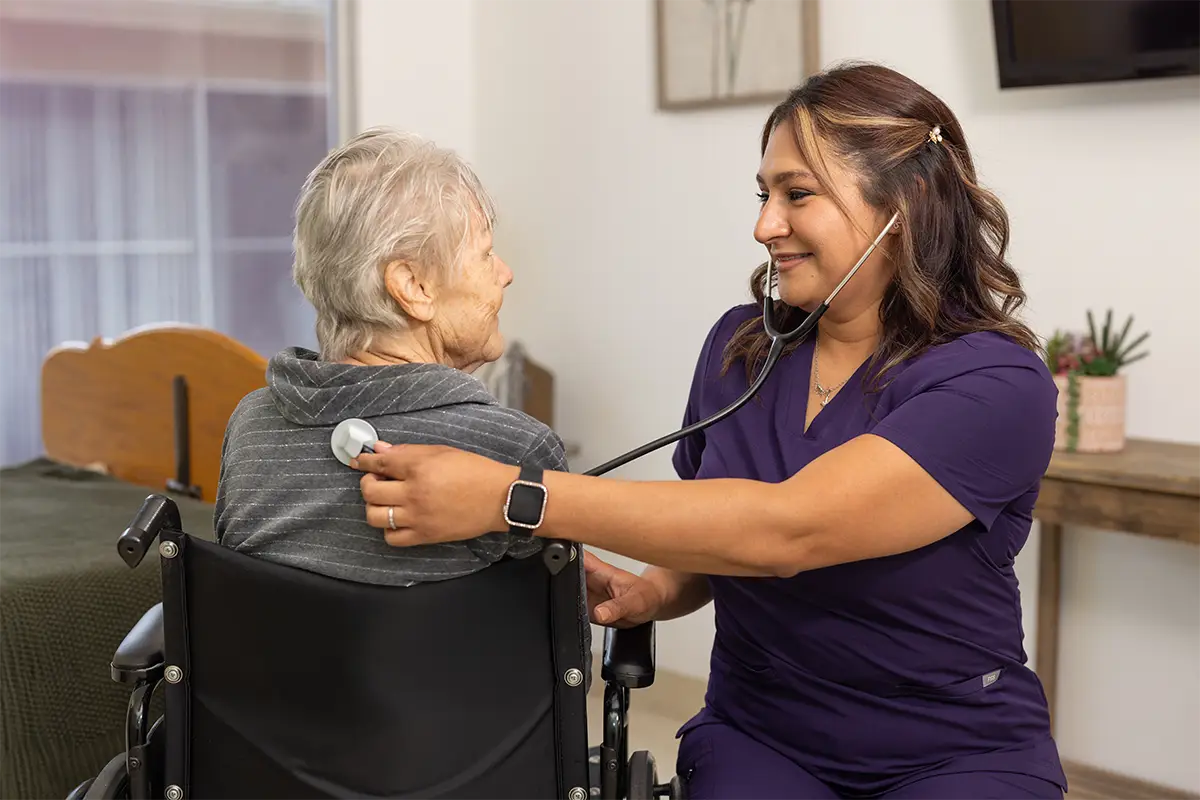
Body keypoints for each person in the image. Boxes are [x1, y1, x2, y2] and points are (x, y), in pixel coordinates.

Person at [348, 63, 1067, 799]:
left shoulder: (996, 383)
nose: (764, 225)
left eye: (797, 194)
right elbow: (719, 530)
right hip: (765, 735)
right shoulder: (743, 350)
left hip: (953, 751)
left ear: (906, 203)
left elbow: (790, 531)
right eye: (763, 195)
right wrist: (658, 591)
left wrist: (512, 495)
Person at [214, 126, 573, 592]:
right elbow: (555, 644)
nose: (505, 274)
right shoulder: (516, 453)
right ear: (413, 287)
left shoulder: (251, 428)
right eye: (485, 254)